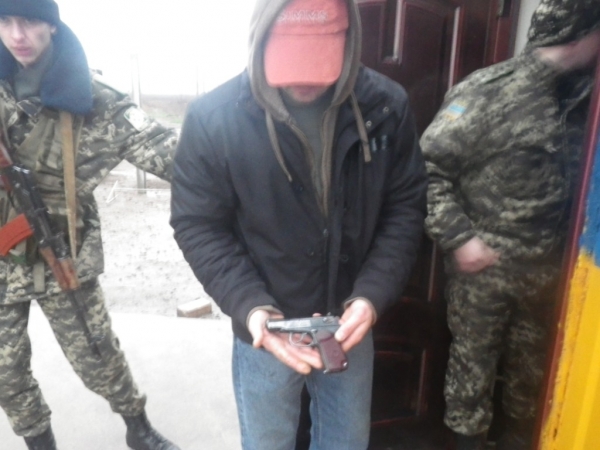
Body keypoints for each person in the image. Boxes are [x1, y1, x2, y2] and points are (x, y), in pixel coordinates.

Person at [170, 0, 427, 448]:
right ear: (260, 40)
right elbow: (198, 224)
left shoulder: (387, 105)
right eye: (291, 58)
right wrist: (250, 305)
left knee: (347, 443)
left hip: (350, 324)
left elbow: (405, 206)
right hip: (266, 330)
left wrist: (371, 295)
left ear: (349, 40)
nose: (305, 80)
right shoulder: (213, 118)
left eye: (319, 58)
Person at [0, 1, 180, 449]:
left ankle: (138, 428)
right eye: (5, 21)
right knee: (5, 369)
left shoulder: (94, 99)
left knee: (96, 352)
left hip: (59, 254)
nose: (17, 34)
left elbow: (176, 157)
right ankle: (39, 442)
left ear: (51, 26)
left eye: (30, 21)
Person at [420, 0, 600, 449]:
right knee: (471, 379)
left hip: (551, 276)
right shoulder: (487, 91)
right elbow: (426, 171)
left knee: (533, 383)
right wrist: (460, 239)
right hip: (487, 271)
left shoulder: (587, 99)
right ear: (580, 35)